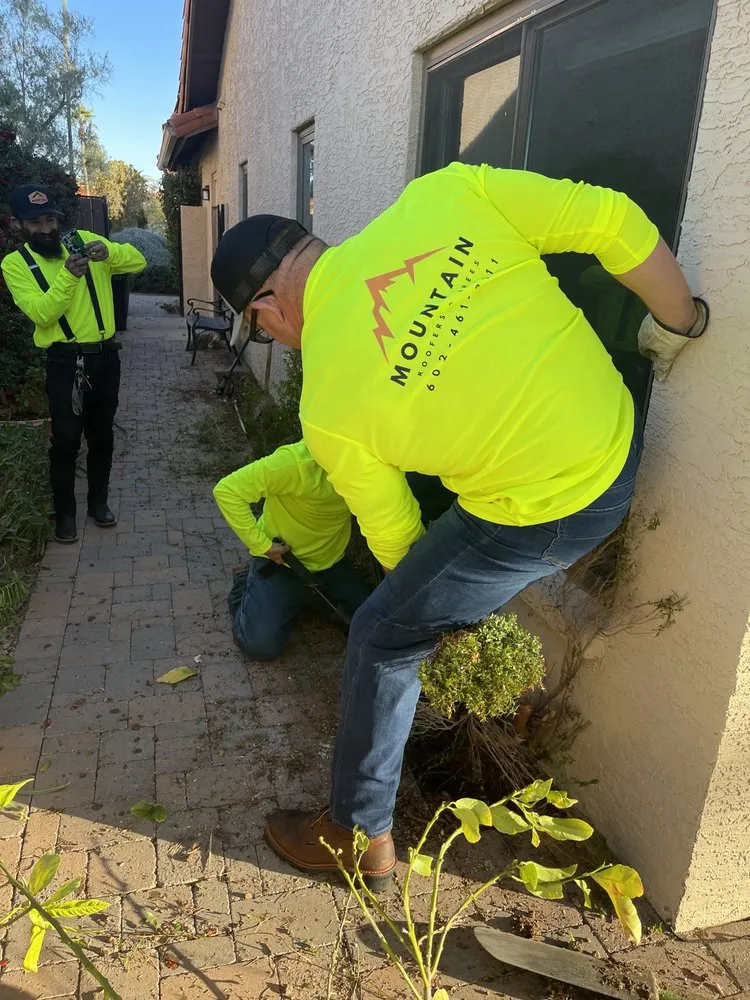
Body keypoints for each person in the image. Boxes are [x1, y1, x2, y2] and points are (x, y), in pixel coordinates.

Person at [210, 163, 708, 890]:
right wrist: (682, 320)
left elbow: (394, 535)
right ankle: (473, 660)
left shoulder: (325, 406)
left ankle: (357, 835)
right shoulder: (443, 195)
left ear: (266, 307)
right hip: (620, 438)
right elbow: (612, 220)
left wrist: (427, 615)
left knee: (383, 632)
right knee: (430, 590)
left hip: (548, 512)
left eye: (261, 329)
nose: (276, 340)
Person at [1, 183, 146, 543]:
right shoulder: (15, 264)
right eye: (36, 223)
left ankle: (99, 504)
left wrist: (108, 251)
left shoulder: (80, 239)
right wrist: (68, 276)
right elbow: (41, 313)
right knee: (65, 442)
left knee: (102, 437)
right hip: (66, 363)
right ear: (17, 225)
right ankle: (65, 515)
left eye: (50, 219)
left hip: (105, 358)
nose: (47, 229)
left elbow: (137, 260)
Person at [213, 440, 372, 660]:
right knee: (261, 647)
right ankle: (245, 585)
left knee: (371, 628)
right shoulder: (293, 463)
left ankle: (305, 596)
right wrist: (263, 546)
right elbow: (227, 491)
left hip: (332, 563)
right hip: (283, 563)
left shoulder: (369, 467)